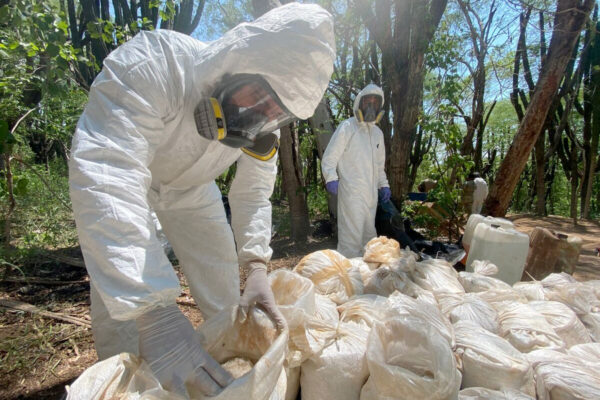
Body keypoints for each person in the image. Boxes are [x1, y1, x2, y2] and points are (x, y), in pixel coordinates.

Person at [69, 4, 335, 397]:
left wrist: (257, 265)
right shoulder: (154, 64)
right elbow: (110, 172)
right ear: (237, 61)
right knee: (121, 306)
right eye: (259, 97)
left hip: (193, 191)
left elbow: (253, 190)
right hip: (134, 188)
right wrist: (153, 315)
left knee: (224, 289)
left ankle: (228, 368)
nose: (260, 116)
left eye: (276, 112)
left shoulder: (263, 132)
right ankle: (126, 384)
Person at [321, 83, 390, 258]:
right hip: (351, 193)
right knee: (350, 240)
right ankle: (349, 279)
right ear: (359, 103)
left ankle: (366, 279)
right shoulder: (347, 127)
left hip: (371, 195)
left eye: (375, 103)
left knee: (369, 238)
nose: (371, 106)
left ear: (379, 107)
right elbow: (330, 156)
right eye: (368, 101)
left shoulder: (377, 134)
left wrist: (384, 185)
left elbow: (379, 165)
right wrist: (330, 177)